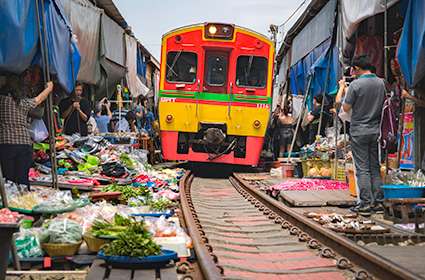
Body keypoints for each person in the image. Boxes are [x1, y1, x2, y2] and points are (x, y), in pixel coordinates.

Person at [339, 55, 386, 216]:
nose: (352, 72)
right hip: (376, 130)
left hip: (359, 130)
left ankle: (365, 203)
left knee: (363, 168)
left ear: (357, 68)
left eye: (353, 69)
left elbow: (345, 108)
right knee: (375, 166)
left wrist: (345, 92)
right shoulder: (381, 83)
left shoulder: (355, 85)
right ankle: (379, 202)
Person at [0, 74, 53, 187]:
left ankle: (9, 202)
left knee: (8, 180)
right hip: (24, 145)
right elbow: (38, 99)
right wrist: (49, 88)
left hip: (7, 145)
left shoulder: (2, 101)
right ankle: (22, 201)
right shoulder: (22, 102)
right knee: (22, 180)